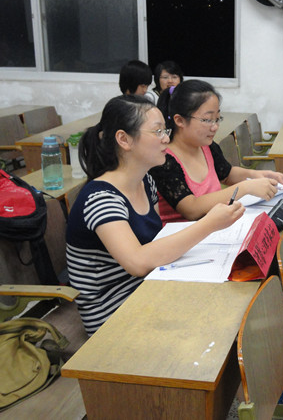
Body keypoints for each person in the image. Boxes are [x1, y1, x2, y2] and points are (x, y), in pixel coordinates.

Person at [66, 95, 244, 336]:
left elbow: (157, 242)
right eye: (157, 131)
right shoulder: (101, 198)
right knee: (218, 322)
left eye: (165, 130)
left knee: (231, 299)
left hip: (150, 288)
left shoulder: (146, 182)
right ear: (124, 139)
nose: (166, 139)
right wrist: (209, 224)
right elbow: (138, 262)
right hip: (115, 314)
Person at [149, 79, 283, 224]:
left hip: (216, 227)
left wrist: (254, 175)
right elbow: (191, 209)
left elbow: (227, 174)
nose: (215, 127)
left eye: (217, 119)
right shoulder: (163, 160)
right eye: (207, 120)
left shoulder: (207, 146)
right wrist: (245, 187)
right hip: (186, 234)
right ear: (180, 120)